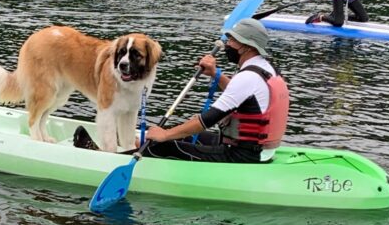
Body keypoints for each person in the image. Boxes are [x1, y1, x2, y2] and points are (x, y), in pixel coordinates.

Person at [74, 19, 288, 164]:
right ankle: (135, 143)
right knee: (186, 138)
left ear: (246, 47)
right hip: (256, 149)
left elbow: (206, 119)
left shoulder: (246, 78)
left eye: (231, 40)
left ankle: (105, 159)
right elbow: (242, 97)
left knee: (163, 146)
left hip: (241, 156)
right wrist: (215, 75)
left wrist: (165, 134)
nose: (227, 44)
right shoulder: (265, 69)